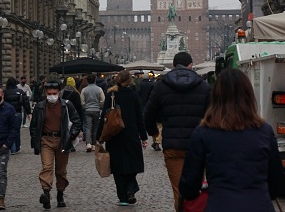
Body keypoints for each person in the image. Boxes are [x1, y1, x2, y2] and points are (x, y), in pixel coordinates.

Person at [179, 68, 283, 211]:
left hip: (220, 205)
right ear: (249, 96)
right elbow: (276, 183)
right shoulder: (264, 131)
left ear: (216, 97)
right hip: (259, 205)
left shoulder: (203, 133)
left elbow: (188, 187)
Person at [144, 51, 211, 208]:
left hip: (172, 145)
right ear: (191, 65)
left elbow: (148, 114)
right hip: (198, 146)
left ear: (173, 66)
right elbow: (213, 116)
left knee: (179, 192)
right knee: (196, 190)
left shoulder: (161, 86)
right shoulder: (204, 86)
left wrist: (154, 132)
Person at [97, 70, 148, 206]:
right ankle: (131, 188)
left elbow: (104, 117)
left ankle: (123, 197)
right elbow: (139, 118)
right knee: (132, 163)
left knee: (117, 166)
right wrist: (143, 137)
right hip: (131, 134)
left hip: (114, 135)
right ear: (130, 80)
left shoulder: (111, 95)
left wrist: (98, 136)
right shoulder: (133, 95)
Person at [29, 80, 82, 209]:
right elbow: (34, 125)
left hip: (62, 140)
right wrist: (36, 137)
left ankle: (60, 194)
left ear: (59, 92)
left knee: (61, 170)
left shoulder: (67, 105)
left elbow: (77, 121)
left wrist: (72, 135)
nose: (52, 96)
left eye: (54, 93)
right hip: (46, 140)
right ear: (45, 93)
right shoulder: (40, 106)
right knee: (47, 167)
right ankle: (46, 193)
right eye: (49, 93)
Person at [4, 77, 31, 154]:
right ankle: (16, 147)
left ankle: (10, 146)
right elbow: (26, 102)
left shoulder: (5, 92)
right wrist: (28, 112)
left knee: (8, 130)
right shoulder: (20, 91)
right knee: (16, 130)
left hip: (6, 114)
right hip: (17, 113)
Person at [81, 73, 105, 152]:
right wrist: (99, 106)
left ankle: (88, 143)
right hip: (97, 110)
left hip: (87, 110)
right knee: (95, 127)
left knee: (88, 127)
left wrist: (85, 107)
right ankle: (94, 143)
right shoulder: (99, 89)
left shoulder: (84, 90)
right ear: (95, 80)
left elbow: (82, 102)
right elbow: (103, 100)